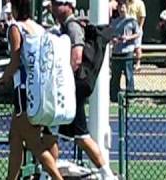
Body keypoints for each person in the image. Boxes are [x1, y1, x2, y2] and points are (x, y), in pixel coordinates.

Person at [51, 0, 118, 179]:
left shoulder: (72, 27)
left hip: (72, 89)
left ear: (68, 6)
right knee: (53, 132)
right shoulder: (65, 26)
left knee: (77, 135)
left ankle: (106, 174)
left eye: (57, 3)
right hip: (71, 89)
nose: (53, 7)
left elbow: (77, 57)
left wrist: (63, 80)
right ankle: (48, 172)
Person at [0, 0, 63, 179]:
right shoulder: (38, 28)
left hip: (23, 91)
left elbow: (16, 60)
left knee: (34, 142)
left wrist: (3, 79)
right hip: (40, 90)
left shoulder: (15, 28)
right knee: (16, 139)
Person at [110, 0, 140, 102]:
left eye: (123, 7)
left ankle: (130, 96)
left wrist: (128, 38)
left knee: (129, 74)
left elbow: (137, 33)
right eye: (119, 7)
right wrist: (113, 39)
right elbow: (110, 35)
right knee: (115, 76)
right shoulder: (114, 22)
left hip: (128, 51)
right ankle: (114, 97)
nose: (121, 9)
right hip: (116, 52)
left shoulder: (132, 21)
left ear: (127, 8)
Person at [126, 0, 146, 71]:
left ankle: (138, 64)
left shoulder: (140, 3)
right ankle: (127, 63)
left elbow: (142, 16)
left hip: (136, 27)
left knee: (137, 47)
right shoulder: (126, 2)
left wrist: (140, 27)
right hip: (127, 27)